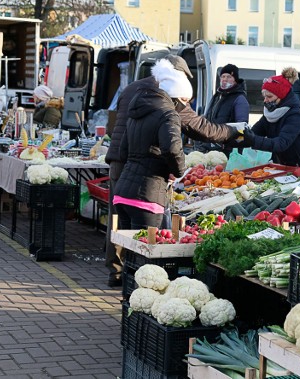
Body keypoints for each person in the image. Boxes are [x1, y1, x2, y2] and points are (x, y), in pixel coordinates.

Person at [104, 55, 239, 287]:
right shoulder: (167, 99)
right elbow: (194, 131)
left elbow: (115, 126)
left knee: (120, 224)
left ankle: (118, 272)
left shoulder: (134, 90)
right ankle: (143, 285)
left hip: (122, 164)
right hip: (148, 176)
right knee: (147, 238)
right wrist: (231, 134)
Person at [112, 58, 188, 232]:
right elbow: (172, 149)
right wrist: (178, 171)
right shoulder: (168, 115)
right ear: (176, 97)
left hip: (122, 193)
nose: (186, 105)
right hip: (147, 197)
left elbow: (123, 152)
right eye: (185, 100)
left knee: (131, 250)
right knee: (146, 253)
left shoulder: (136, 113)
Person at [242, 67, 300, 170]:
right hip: (284, 166)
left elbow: (281, 144)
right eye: (264, 96)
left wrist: (253, 140)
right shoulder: (270, 114)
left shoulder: (294, 116)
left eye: (269, 97)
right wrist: (235, 135)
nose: (265, 101)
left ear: (281, 96)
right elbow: (255, 132)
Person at [197, 64, 249, 155]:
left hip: (226, 150)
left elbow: (242, 128)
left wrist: (232, 146)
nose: (225, 79)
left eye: (229, 77)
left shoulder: (239, 99)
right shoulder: (217, 95)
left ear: (235, 80)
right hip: (211, 147)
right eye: (223, 76)